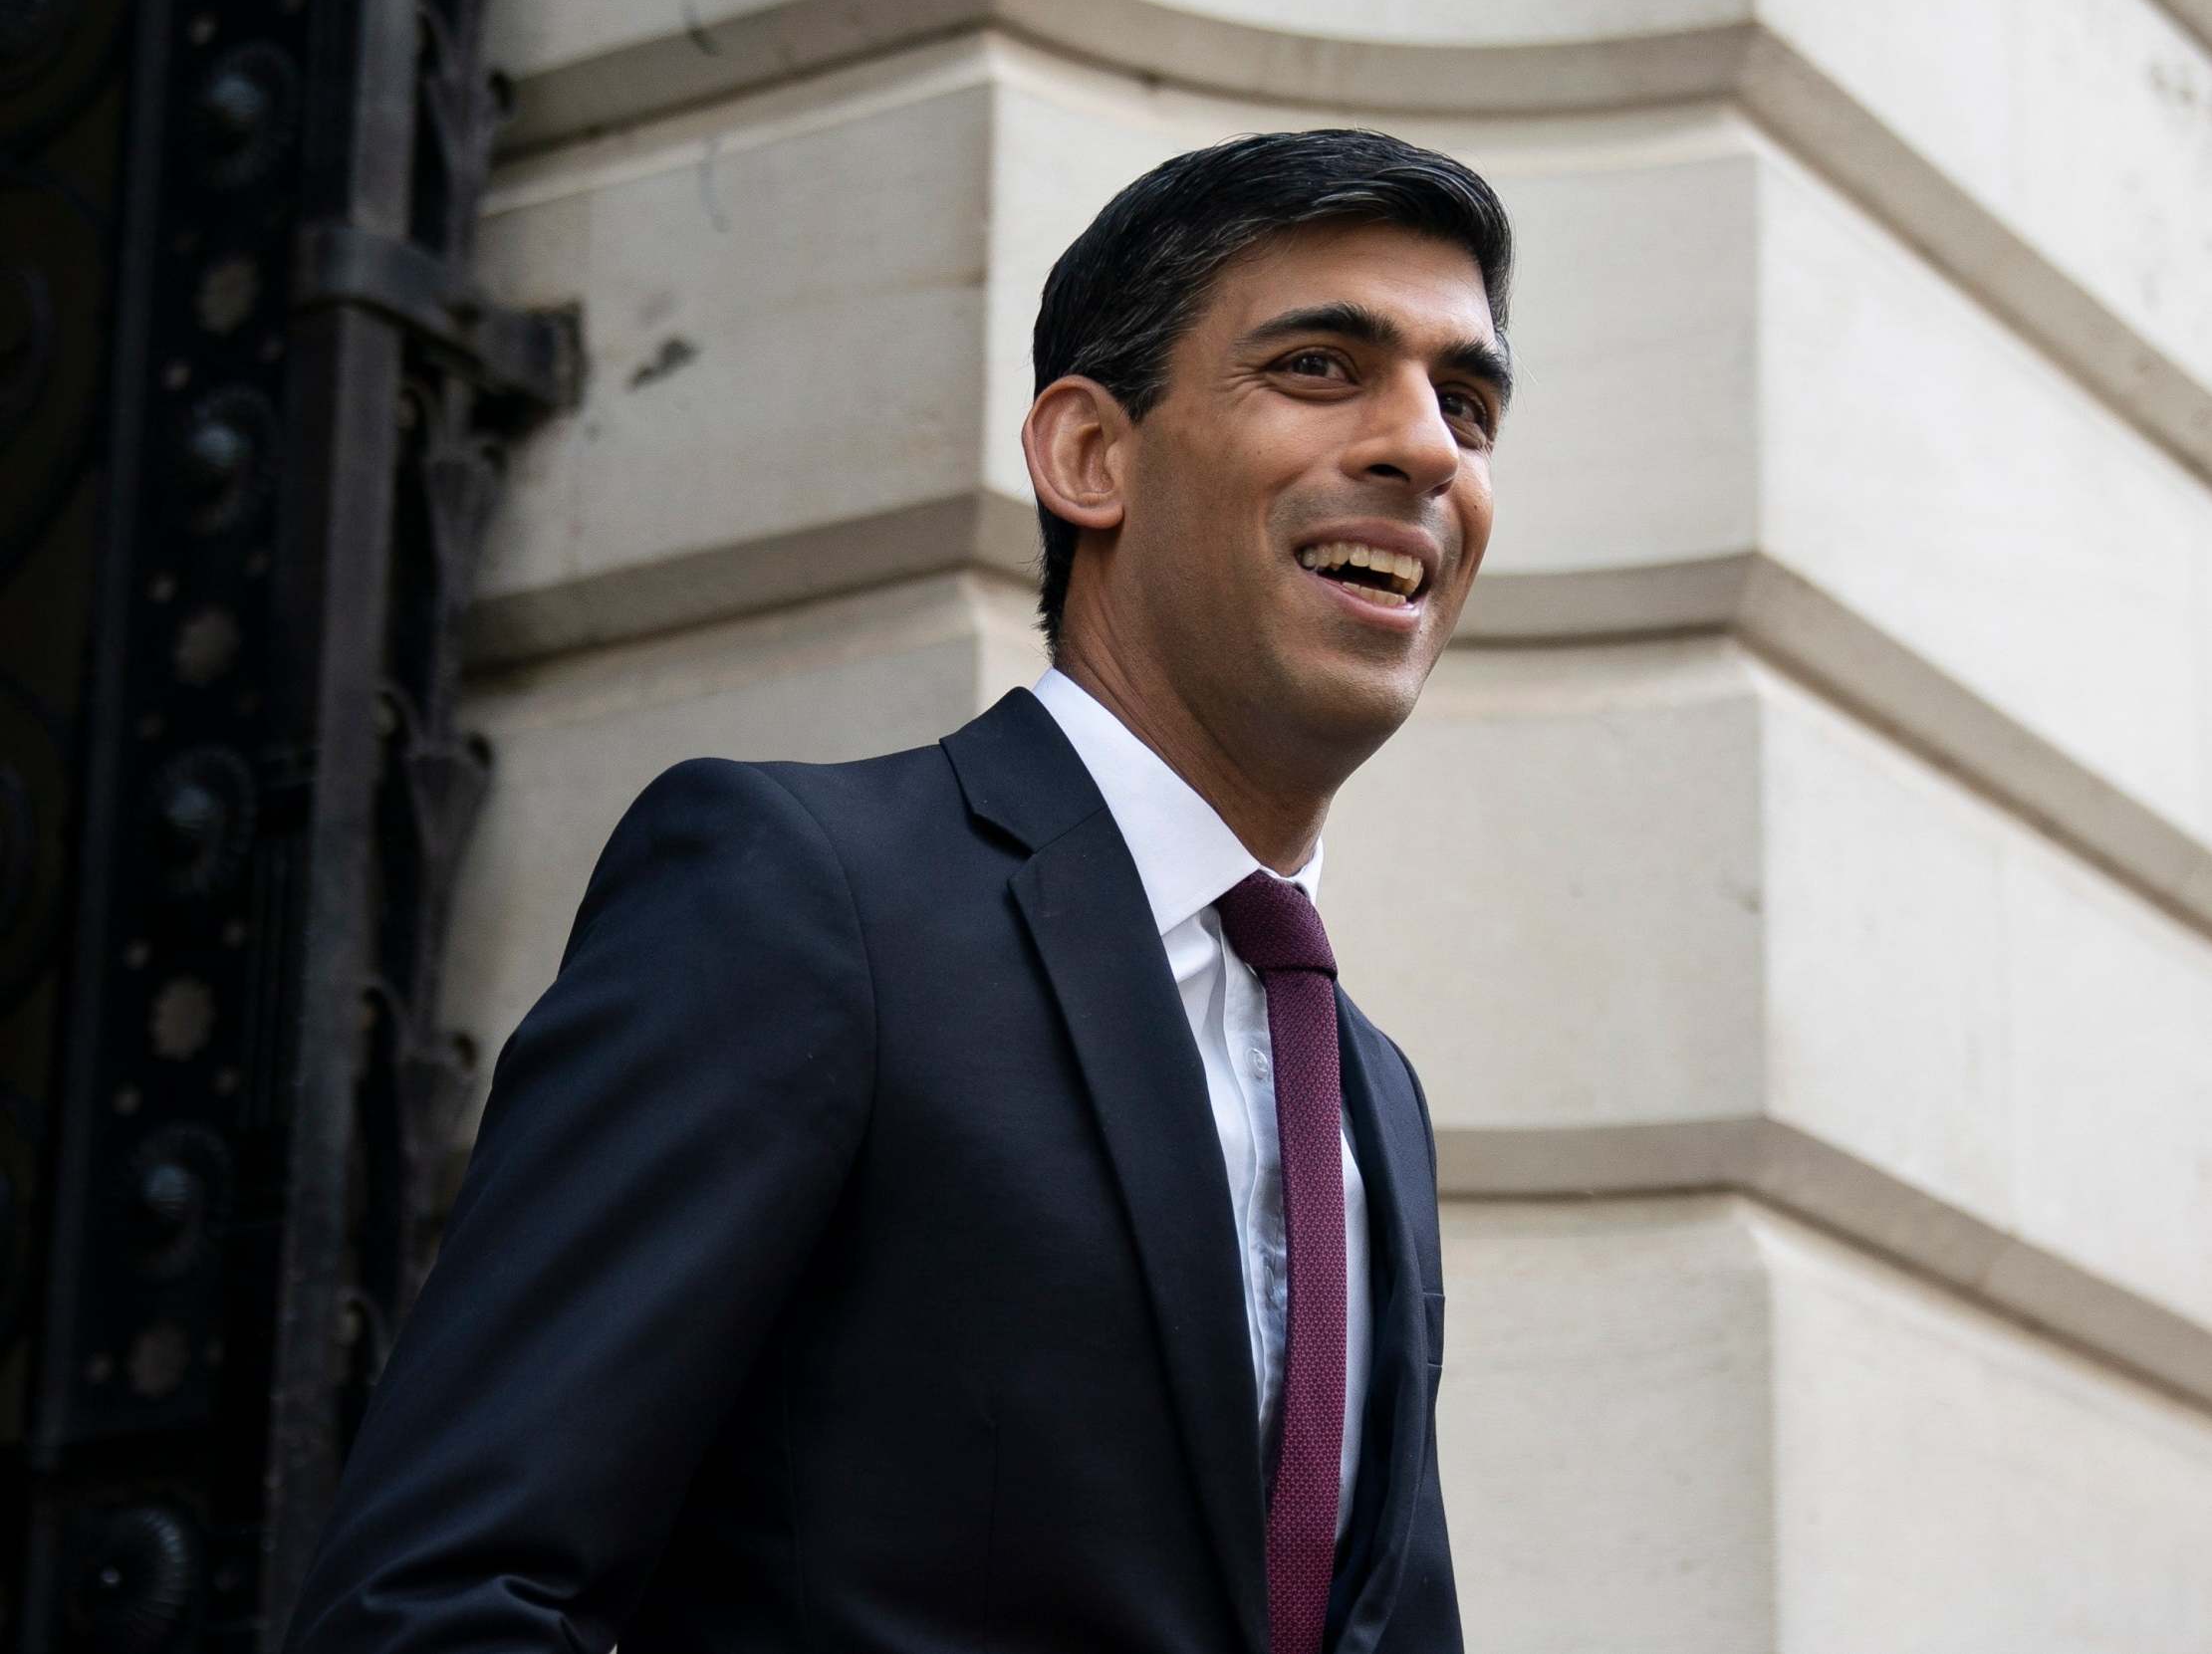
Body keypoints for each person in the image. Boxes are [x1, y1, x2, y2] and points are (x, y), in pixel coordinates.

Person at [283, 126, 1513, 1654]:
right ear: (1087, 454)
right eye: (1321, 366)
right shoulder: (796, 895)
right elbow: (435, 1603)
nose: (1426, 447)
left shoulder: (1370, 1097)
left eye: (1466, 402)